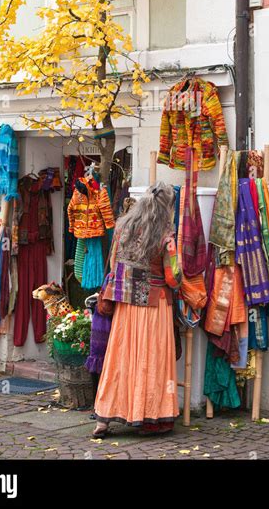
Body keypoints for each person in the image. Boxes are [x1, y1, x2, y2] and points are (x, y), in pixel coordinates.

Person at [93, 182, 181, 436]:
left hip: (125, 305)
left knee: (120, 360)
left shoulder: (123, 227)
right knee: (152, 361)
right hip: (154, 306)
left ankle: (104, 417)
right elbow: (173, 277)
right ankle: (150, 417)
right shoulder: (165, 235)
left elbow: (113, 265)